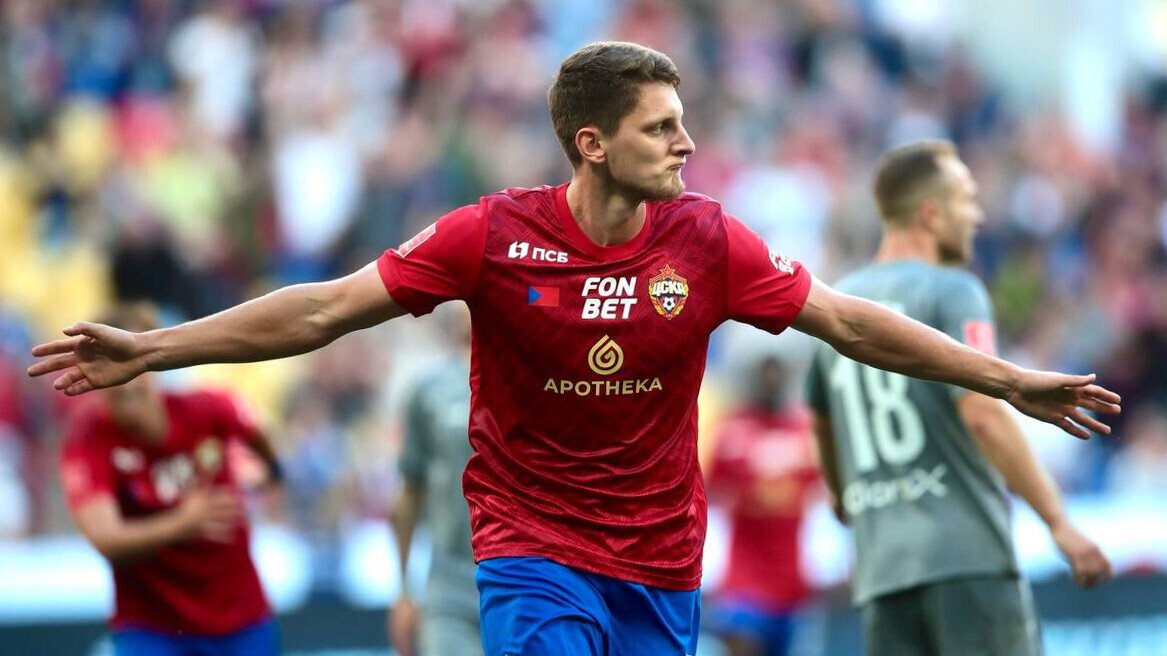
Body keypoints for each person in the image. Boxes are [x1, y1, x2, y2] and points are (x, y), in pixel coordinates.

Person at [29, 43, 1119, 655]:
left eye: (684, 122)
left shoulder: (709, 241)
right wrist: (155, 348)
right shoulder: (489, 235)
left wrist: (1008, 376)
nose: (688, 143)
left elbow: (848, 320)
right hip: (531, 547)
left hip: (660, 563)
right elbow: (322, 311)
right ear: (591, 144)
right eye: (661, 127)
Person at [805, 140, 1114, 656]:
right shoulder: (952, 291)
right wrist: (1059, 523)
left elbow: (821, 422)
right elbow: (983, 414)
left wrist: (843, 497)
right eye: (967, 199)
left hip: (882, 574)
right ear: (931, 213)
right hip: (967, 562)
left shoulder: (838, 308)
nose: (978, 215)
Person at [57, 303, 283, 656]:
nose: (125, 381)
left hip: (239, 616)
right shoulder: (88, 439)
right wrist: (184, 522)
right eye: (108, 362)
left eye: (127, 359)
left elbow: (256, 432)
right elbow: (107, 539)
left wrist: (268, 473)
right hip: (150, 626)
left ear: (149, 363)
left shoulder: (208, 409)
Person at [704, 355, 819, 656]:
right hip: (744, 583)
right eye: (765, 377)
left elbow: (819, 494)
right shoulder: (733, 431)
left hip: (793, 585)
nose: (771, 383)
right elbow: (710, 491)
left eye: (776, 377)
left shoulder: (802, 432)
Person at [388, 304, 482, 656]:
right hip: (449, 587)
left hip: (525, 580)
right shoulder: (428, 391)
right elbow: (409, 494)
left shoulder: (536, 383)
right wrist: (403, 592)